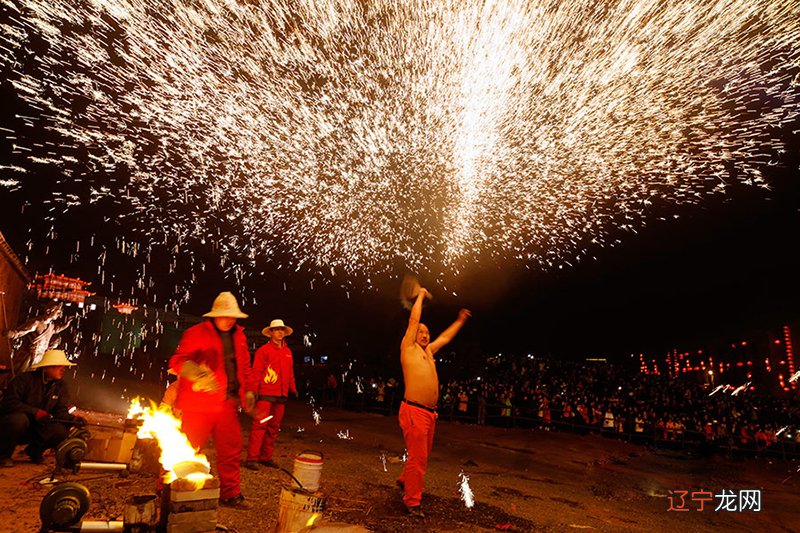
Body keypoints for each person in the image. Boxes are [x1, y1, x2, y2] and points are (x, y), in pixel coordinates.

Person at [168, 292, 255, 510]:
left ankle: (230, 494)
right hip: (198, 405)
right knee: (187, 447)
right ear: (214, 315)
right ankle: (169, 489)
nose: (229, 319)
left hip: (226, 404)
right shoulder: (195, 333)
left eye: (232, 316)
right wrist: (198, 374)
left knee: (231, 449)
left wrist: (249, 391)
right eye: (224, 315)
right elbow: (177, 361)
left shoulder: (240, 336)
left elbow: (244, 367)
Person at [397, 287, 470, 518]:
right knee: (419, 459)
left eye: (427, 332)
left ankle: (404, 480)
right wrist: (419, 296)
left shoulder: (428, 351)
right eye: (421, 332)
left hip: (429, 413)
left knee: (421, 455)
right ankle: (412, 501)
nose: (425, 335)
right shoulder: (408, 348)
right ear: (412, 334)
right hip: (414, 410)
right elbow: (414, 319)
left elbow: (445, 337)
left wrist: (459, 321)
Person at [0, 349, 84, 467]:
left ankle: (34, 451)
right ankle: (3, 455)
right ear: (47, 367)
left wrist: (73, 419)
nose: (63, 369)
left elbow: (60, 411)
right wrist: (35, 412)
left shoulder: (61, 386)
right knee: (18, 419)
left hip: (37, 428)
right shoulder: (24, 380)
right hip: (14, 427)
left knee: (61, 430)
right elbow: (9, 403)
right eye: (59, 365)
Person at [245, 319, 296, 470]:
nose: (280, 332)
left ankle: (265, 457)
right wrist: (253, 391)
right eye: (277, 329)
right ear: (271, 333)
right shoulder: (263, 351)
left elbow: (290, 372)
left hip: (281, 395)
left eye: (282, 329)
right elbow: (257, 372)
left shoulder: (287, 351)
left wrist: (292, 387)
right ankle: (252, 459)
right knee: (260, 426)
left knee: (273, 428)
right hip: (266, 394)